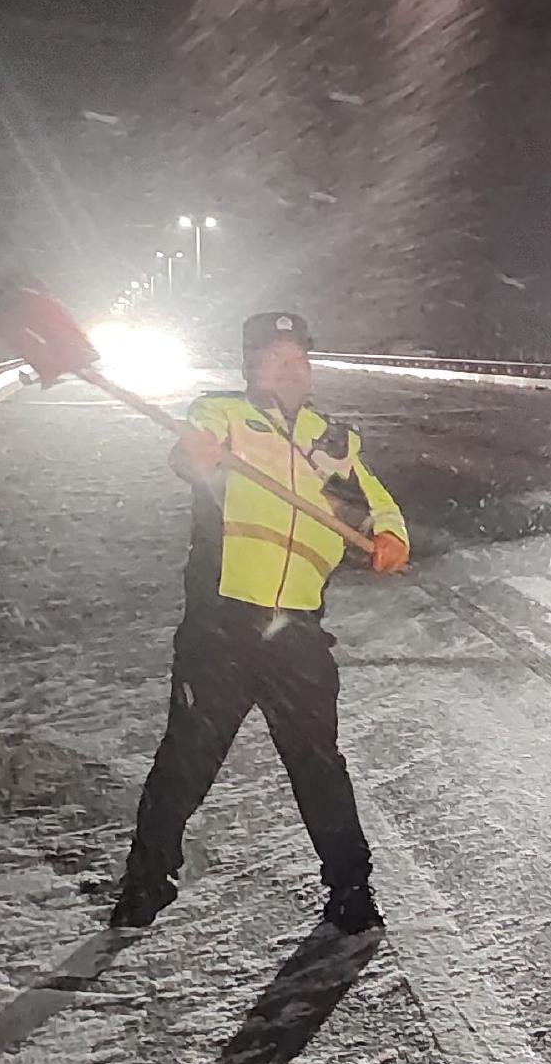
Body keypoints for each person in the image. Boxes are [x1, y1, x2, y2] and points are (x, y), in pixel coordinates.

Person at [112, 310, 411, 935]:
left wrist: (390, 536)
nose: (289, 368)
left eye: (298, 358)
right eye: (275, 358)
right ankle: (146, 882)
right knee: (187, 761)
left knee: (318, 765)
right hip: (222, 625)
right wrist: (195, 455)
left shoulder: (335, 441)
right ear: (250, 365)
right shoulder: (222, 417)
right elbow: (191, 455)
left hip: (297, 630)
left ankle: (351, 890)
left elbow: (376, 502)